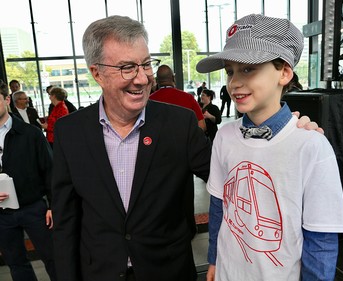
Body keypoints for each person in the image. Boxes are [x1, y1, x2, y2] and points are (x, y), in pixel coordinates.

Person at [51, 15, 212, 281]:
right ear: (97, 73)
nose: (142, 78)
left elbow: (230, 180)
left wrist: (280, 134)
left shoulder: (178, 124)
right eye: (127, 67)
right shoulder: (70, 132)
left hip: (167, 270)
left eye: (146, 64)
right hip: (99, 272)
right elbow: (66, 220)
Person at [196, 14, 343, 281]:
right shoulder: (224, 136)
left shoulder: (312, 146)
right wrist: (214, 260)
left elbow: (321, 238)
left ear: (284, 72)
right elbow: (220, 205)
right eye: (230, 70)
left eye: (248, 69)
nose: (234, 82)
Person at [0, 80, 56, 281]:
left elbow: (50, 171)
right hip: (2, 215)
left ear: (7, 99)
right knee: (16, 264)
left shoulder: (30, 133)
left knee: (53, 259)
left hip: (34, 209)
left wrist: (53, 205)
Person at [149, 64, 207, 131]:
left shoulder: (149, 101)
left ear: (157, 80)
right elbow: (202, 126)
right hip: (184, 140)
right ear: (173, 78)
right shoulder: (188, 98)